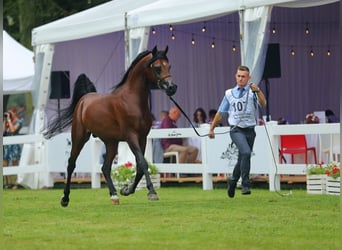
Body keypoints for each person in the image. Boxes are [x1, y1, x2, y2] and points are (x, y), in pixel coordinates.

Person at [208, 66, 266, 197]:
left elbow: (263, 104)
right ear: (236, 76)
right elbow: (221, 112)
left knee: (242, 158)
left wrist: (259, 91)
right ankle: (245, 184)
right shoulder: (229, 93)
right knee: (245, 152)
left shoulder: (252, 92)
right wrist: (212, 128)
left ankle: (232, 180)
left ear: (248, 78)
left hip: (250, 130)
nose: (241, 78)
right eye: (239, 76)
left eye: (243, 76)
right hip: (236, 129)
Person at [3, 107, 23, 189]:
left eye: (10, 113)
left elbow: (12, 130)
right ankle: (9, 183)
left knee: (15, 164)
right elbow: (3, 131)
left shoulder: (18, 122)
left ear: (15, 113)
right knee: (4, 164)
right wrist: (5, 121)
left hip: (14, 145)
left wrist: (9, 120)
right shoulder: (7, 122)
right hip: (7, 145)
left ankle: (16, 183)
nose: (9, 115)